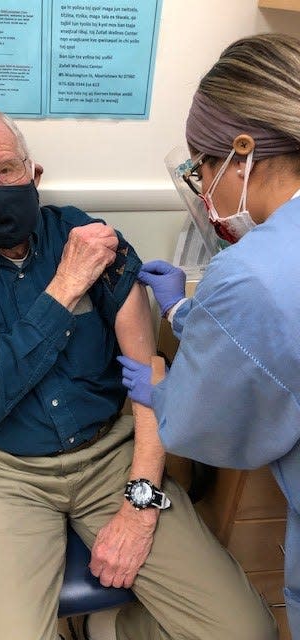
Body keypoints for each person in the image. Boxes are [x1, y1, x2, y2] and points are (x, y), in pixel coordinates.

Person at [0, 105, 276, 640]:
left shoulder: (88, 236)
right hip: (5, 470)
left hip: (111, 454)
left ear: (33, 174)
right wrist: (65, 285)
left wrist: (141, 501)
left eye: (6, 170)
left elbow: (146, 369)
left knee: (244, 632)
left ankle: (108, 629)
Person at [119, 33, 300, 640]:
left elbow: (207, 422)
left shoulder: (250, 273)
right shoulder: (259, 272)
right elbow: (268, 344)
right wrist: (182, 313)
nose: (202, 182)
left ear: (241, 152)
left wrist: (161, 390)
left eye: (201, 164)